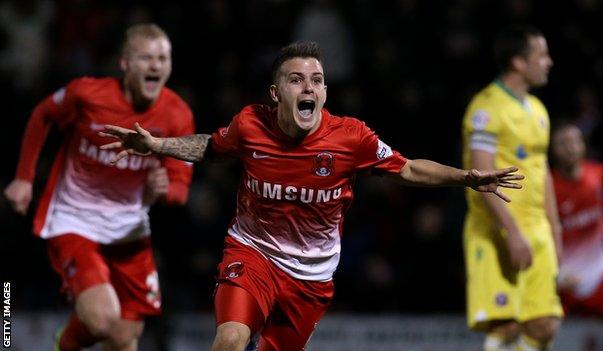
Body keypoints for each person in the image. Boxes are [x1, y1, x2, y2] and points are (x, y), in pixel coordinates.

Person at [100, 41, 523, 351]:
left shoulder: (351, 137)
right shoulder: (251, 125)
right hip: (254, 254)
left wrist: (466, 177)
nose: (309, 87)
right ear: (276, 92)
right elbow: (211, 147)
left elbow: (407, 168)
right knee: (229, 339)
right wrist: (157, 146)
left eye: (317, 80)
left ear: (323, 93)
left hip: (312, 276)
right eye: (297, 79)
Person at [3, 23, 194, 351]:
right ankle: (65, 342)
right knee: (103, 320)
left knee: (125, 337)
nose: (155, 65)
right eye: (146, 57)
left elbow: (180, 192)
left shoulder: (178, 116)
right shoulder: (87, 94)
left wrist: (162, 190)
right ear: (125, 64)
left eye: (163, 58)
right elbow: (43, 114)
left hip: (129, 228)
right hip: (74, 220)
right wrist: (23, 178)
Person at [461, 25, 563, 351]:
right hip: (497, 229)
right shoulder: (485, 109)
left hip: (538, 228)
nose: (548, 62)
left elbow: (543, 172)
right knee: (506, 325)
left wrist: (555, 228)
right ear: (518, 62)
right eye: (541, 55)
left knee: (544, 325)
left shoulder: (540, 111)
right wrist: (512, 232)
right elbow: (481, 177)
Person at [550, 122, 603, 351]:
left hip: (597, 273)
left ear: (583, 145)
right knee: (540, 333)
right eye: (563, 143)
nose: (570, 148)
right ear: (554, 151)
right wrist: (557, 272)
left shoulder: (598, 172)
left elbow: (597, 211)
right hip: (561, 278)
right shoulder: (548, 186)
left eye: (575, 141)